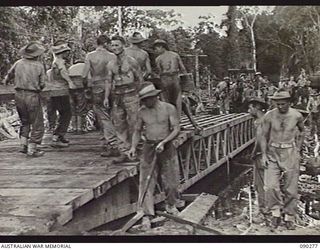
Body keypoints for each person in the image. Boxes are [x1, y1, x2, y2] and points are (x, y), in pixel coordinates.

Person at [128, 82, 180, 229]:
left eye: (147, 99)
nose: (145, 102)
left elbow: (176, 128)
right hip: (149, 147)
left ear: (154, 97)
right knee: (146, 180)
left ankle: (171, 205)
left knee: (170, 179)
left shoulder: (169, 108)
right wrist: (133, 147)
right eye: (143, 100)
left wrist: (164, 142)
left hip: (166, 146)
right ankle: (147, 214)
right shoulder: (142, 112)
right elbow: (137, 131)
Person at [260, 90, 305, 230]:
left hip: (290, 152)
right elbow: (263, 135)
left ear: (289, 102)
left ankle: (289, 216)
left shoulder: (296, 115)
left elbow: (302, 131)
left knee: (290, 188)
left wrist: (298, 149)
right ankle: (275, 213)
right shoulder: (269, 116)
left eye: (283, 104)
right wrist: (263, 155)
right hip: (273, 152)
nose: (280, 106)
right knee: (271, 186)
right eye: (277, 104)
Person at [2, 41, 46, 157]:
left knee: (24, 121)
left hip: (18, 95)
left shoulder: (18, 63)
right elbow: (42, 84)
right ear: (37, 55)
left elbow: (7, 77)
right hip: (32, 95)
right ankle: (32, 149)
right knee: (37, 123)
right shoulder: (39, 66)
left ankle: (23, 145)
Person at [104, 35, 143, 163]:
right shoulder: (110, 64)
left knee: (134, 123)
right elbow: (109, 81)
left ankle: (134, 150)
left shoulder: (131, 61)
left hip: (131, 94)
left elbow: (139, 78)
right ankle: (124, 152)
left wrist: (139, 94)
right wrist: (106, 97)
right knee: (119, 124)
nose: (114, 48)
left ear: (123, 45)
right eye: (112, 45)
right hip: (117, 96)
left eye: (117, 45)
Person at [82, 35, 118, 157]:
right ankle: (109, 141)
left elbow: (84, 74)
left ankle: (112, 143)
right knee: (111, 115)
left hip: (97, 87)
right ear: (106, 43)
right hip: (111, 87)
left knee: (103, 116)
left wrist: (86, 87)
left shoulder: (90, 56)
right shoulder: (112, 56)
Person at [48, 41, 73, 148]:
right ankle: (57, 135)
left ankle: (59, 135)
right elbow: (63, 72)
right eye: (66, 52)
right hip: (60, 91)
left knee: (62, 113)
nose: (67, 54)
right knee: (67, 113)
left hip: (54, 91)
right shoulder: (60, 62)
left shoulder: (55, 61)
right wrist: (70, 82)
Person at [247, 97, 269, 223]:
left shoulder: (260, 121)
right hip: (269, 154)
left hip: (261, 154)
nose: (248, 110)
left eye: (250, 108)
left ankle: (263, 210)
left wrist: (254, 153)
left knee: (260, 184)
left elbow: (259, 140)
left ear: (257, 108)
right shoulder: (267, 119)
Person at [154, 39, 187, 119]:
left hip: (165, 79)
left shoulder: (158, 59)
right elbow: (183, 68)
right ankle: (178, 120)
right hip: (175, 78)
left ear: (161, 47)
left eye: (156, 48)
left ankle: (169, 120)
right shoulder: (175, 55)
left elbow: (159, 71)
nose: (156, 51)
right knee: (177, 100)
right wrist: (185, 80)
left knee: (166, 100)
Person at [68, 60, 88, 134]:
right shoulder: (85, 66)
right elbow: (87, 78)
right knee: (81, 107)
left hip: (71, 88)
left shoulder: (71, 67)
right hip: (80, 87)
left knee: (72, 107)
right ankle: (80, 128)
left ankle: (74, 128)